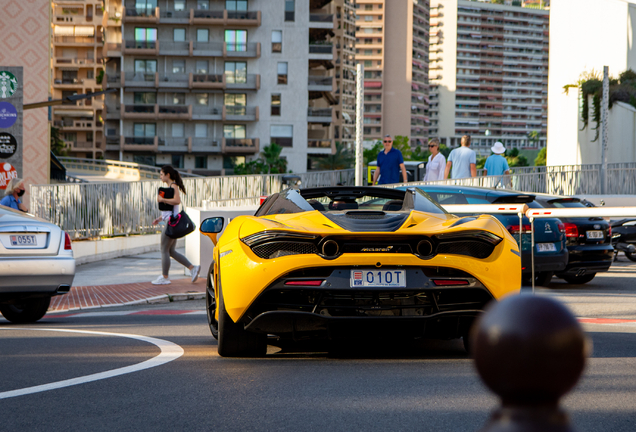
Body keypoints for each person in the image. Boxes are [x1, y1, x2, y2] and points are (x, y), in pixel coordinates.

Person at [151, 165, 200, 285]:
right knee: (171, 251)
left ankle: (165, 277)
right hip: (170, 221)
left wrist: (162, 200)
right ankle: (193, 268)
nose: (161, 176)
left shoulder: (173, 186)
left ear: (168, 175)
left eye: (162, 174)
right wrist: (160, 218)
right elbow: (172, 209)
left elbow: (177, 201)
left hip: (170, 224)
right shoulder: (170, 187)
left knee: (164, 249)